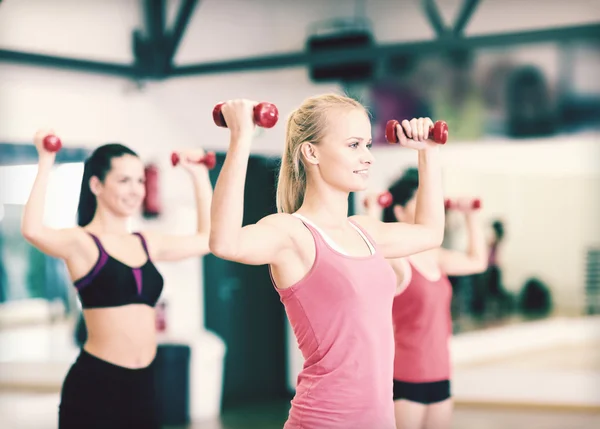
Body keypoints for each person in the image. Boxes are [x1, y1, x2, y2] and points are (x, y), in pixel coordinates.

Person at [209, 94, 445, 429]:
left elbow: (431, 233)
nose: (367, 158)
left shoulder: (364, 231)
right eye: (353, 145)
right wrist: (241, 138)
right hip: (323, 420)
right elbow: (225, 242)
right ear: (311, 152)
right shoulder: (293, 233)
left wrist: (429, 153)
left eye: (367, 145)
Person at [21, 129, 213, 429]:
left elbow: (208, 240)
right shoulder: (81, 242)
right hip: (96, 386)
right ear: (96, 185)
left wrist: (200, 176)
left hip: (146, 384)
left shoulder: (145, 241)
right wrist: (46, 160)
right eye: (124, 180)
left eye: (139, 180)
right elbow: (33, 230)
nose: (136, 190)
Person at [366, 168, 487, 429]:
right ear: (399, 212)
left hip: (440, 373)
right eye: (419, 201)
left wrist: (471, 217)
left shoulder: (436, 256)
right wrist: (373, 211)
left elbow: (477, 262)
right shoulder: (396, 260)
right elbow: (370, 251)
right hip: (406, 376)